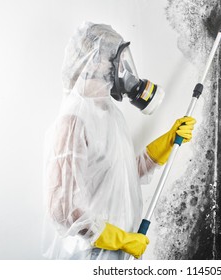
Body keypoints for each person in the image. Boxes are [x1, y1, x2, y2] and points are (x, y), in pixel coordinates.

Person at [42, 22, 196, 260]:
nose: (123, 69)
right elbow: (61, 208)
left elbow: (120, 176)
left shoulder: (109, 113)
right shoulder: (74, 119)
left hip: (116, 253)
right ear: (93, 62)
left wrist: (166, 143)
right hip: (90, 256)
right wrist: (119, 239)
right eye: (114, 59)